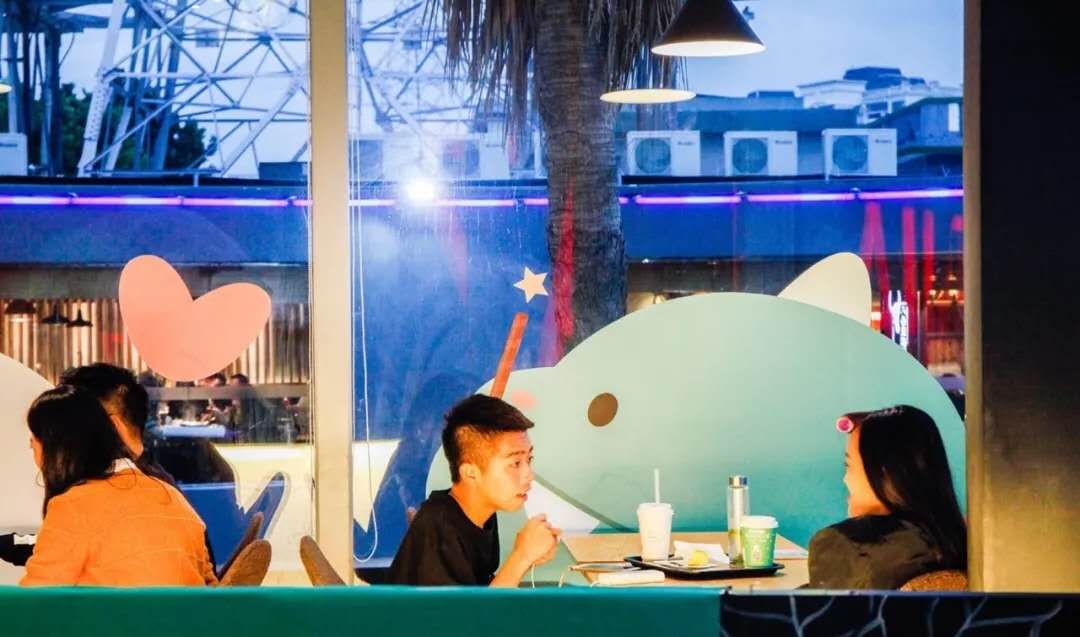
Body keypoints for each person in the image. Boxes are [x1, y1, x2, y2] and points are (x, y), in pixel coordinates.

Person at [20, 385, 217, 586]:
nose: (35, 455)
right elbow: (210, 587)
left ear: (55, 449)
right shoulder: (173, 496)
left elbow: (37, 596)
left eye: (33, 443)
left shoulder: (72, 506)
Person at [386, 394, 559, 586]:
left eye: (529, 460)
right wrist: (522, 556)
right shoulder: (440, 526)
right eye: (515, 463)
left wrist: (529, 558)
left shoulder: (482, 516)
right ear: (470, 472)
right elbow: (472, 607)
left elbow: (482, 593)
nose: (529, 475)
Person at [807, 405, 967, 589]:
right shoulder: (959, 542)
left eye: (848, 465)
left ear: (884, 474)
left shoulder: (845, 545)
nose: (845, 479)